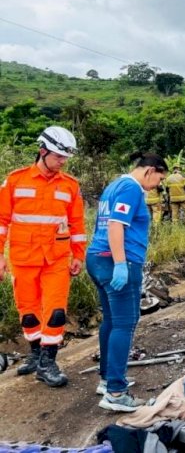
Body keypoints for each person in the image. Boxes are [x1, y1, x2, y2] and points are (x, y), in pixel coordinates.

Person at [0, 126, 86, 387]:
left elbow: (77, 224)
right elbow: (1, 222)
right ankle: (36, 355)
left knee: (56, 312)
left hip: (56, 260)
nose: (62, 162)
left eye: (65, 158)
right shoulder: (15, 181)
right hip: (24, 258)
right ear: (43, 151)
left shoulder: (70, 186)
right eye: (58, 156)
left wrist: (78, 256)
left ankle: (48, 363)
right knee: (28, 312)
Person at [86, 152, 168, 412]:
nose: (158, 184)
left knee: (110, 321)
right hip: (116, 261)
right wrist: (121, 264)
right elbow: (115, 225)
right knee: (125, 324)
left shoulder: (114, 185)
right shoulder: (132, 189)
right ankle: (116, 393)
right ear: (149, 170)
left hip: (97, 258)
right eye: (159, 178)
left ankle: (108, 379)